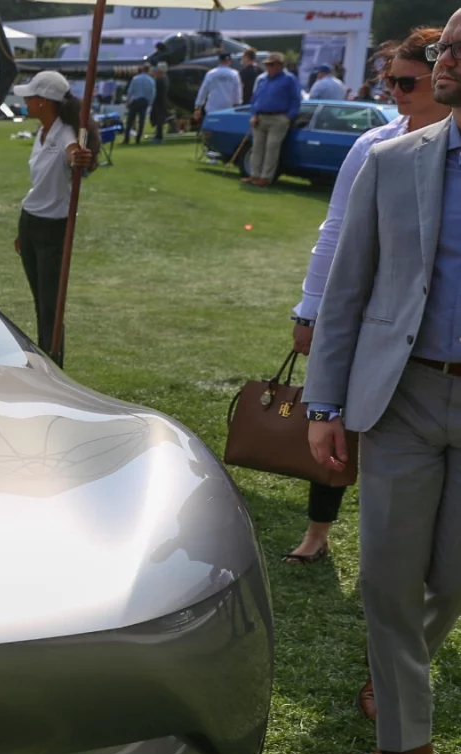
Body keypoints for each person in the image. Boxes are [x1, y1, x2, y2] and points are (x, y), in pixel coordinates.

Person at [304, 9, 461, 754]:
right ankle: (405, 736)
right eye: (444, 47)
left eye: (460, 50)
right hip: (398, 398)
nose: (445, 59)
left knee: (454, 578)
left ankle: (400, 680)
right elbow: (346, 293)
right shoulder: (392, 161)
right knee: (385, 578)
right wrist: (322, 406)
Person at [284, 28, 449, 568]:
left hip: (430, 335)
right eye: (389, 80)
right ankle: (317, 530)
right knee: (338, 412)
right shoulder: (374, 145)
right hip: (368, 313)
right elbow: (335, 234)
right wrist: (310, 308)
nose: (395, 91)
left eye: (407, 81)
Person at [12, 71, 92, 367]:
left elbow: (75, 155)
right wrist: (24, 233)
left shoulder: (67, 134)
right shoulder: (42, 131)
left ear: (44, 102)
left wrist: (80, 159)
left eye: (30, 97)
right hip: (31, 220)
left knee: (51, 306)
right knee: (39, 300)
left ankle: (54, 363)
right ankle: (45, 359)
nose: (26, 102)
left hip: (53, 229)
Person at [245, 52, 302, 187]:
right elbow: (255, 99)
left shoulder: (289, 79)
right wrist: (254, 114)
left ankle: (266, 177)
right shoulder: (263, 80)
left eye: (271, 64)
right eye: (266, 64)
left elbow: (296, 100)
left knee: (272, 148)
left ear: (279, 65)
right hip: (261, 117)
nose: (268, 67)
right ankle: (254, 174)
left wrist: (288, 117)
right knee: (257, 147)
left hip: (278, 117)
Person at [194, 51, 242, 125]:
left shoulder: (211, 74)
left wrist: (198, 105)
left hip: (213, 108)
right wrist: (237, 104)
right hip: (228, 108)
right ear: (229, 61)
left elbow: (203, 91)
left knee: (213, 128)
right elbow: (237, 92)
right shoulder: (234, 74)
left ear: (219, 61)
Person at [123, 63, 155, 144]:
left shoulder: (135, 79)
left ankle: (126, 139)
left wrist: (127, 101)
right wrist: (150, 102)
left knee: (130, 121)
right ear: (149, 70)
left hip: (135, 101)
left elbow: (130, 91)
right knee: (141, 121)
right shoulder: (151, 80)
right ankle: (138, 139)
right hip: (144, 101)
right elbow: (152, 93)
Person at [151, 62, 171, 141]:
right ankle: (158, 135)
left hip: (159, 101)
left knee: (159, 119)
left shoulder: (160, 80)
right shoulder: (165, 79)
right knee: (158, 118)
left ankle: (159, 136)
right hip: (162, 101)